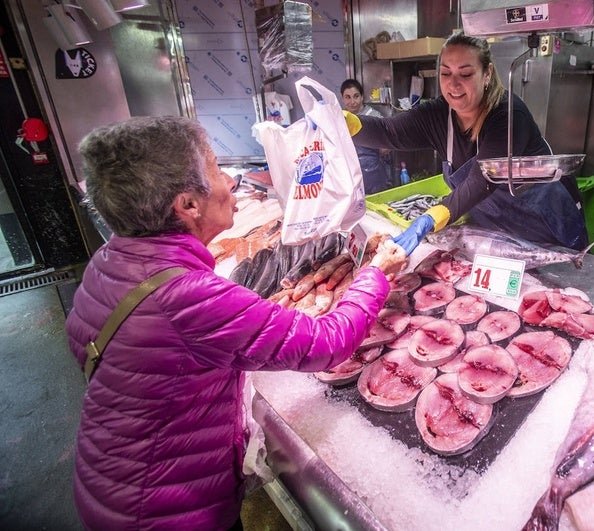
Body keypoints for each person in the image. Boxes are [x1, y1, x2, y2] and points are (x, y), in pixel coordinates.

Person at [65, 116, 407, 530]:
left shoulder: (109, 263)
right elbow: (324, 343)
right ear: (187, 205)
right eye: (214, 167)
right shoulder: (187, 296)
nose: (230, 181)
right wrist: (377, 274)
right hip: (167, 510)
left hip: (111, 481)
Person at [344, 32, 588, 254]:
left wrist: (430, 218)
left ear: (487, 74)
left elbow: (481, 180)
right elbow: (388, 131)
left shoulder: (509, 115)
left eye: (466, 73)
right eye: (446, 73)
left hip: (548, 226)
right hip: (499, 231)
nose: (453, 84)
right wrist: (344, 122)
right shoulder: (439, 114)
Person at [340, 78, 392, 194]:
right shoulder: (341, 118)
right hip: (351, 176)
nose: (352, 101)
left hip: (375, 175)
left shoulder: (373, 116)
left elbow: (388, 143)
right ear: (342, 98)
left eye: (356, 96)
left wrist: (374, 155)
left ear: (362, 96)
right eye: (347, 97)